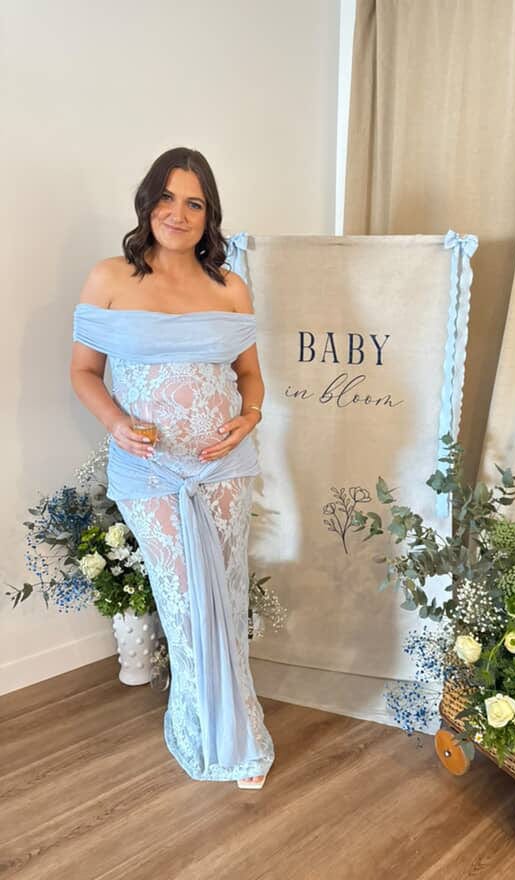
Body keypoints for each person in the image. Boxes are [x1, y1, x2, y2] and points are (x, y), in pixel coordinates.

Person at [69, 147, 274, 788]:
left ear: (209, 215)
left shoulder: (229, 287)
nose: (177, 213)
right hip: (149, 467)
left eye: (193, 202)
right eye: (166, 197)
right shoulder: (109, 278)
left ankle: (238, 730)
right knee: (184, 600)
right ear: (147, 202)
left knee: (227, 590)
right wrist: (116, 424)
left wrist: (251, 416)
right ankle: (198, 728)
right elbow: (83, 372)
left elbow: (249, 379)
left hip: (223, 466)